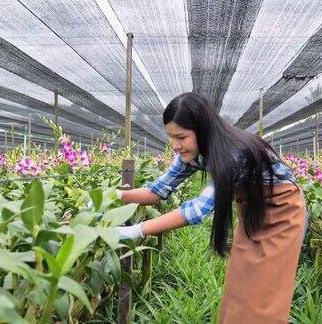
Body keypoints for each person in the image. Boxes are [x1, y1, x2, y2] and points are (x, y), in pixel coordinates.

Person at [116, 92, 307, 323]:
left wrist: (137, 230)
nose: (175, 145)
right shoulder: (191, 152)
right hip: (251, 209)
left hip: (282, 211)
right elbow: (157, 191)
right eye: (171, 137)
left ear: (202, 129)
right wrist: (115, 196)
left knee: (264, 297)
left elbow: (198, 210)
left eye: (181, 137)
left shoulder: (233, 153)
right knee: (239, 286)